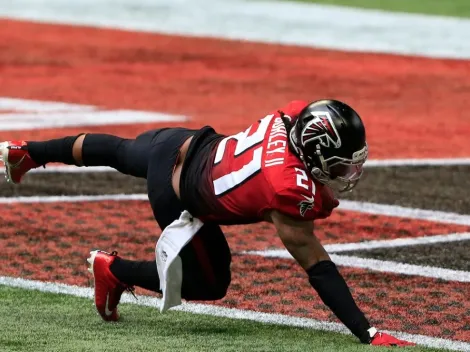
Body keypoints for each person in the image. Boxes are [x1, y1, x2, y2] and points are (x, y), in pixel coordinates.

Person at [1, 99, 414, 346]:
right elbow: (316, 265)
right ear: (312, 152)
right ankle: (111, 269)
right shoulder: (286, 189)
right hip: (180, 191)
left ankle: (30, 152)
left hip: (183, 143)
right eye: (340, 167)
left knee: (118, 151)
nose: (346, 174)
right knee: (209, 283)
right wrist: (368, 332)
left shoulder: (293, 118)